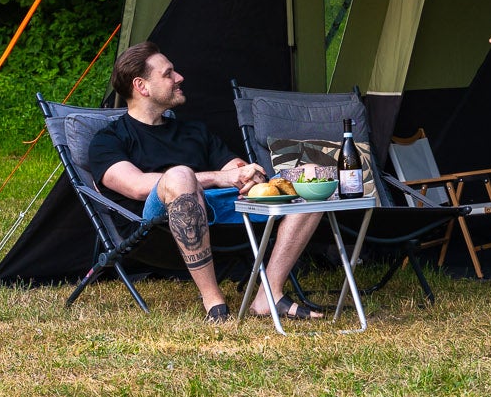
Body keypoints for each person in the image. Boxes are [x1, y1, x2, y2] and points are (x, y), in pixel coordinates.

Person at [84, 42, 323, 321]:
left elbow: (235, 167)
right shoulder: (108, 139)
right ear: (142, 86)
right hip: (154, 229)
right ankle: (214, 303)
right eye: (168, 73)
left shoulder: (193, 130)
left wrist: (247, 175)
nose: (179, 78)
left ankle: (268, 296)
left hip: (222, 215)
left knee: (313, 176)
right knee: (179, 175)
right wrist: (221, 177)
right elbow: (136, 186)